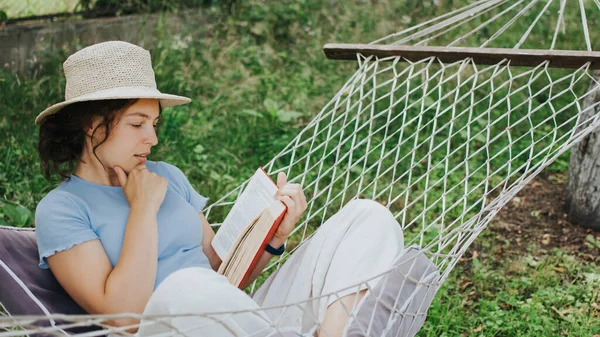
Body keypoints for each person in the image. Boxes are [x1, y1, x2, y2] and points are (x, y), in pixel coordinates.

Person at [34, 41, 405, 337]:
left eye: (155, 122)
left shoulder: (168, 176)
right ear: (93, 125)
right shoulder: (62, 209)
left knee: (369, 217)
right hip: (163, 328)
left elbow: (222, 273)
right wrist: (142, 210)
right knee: (186, 286)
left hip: (236, 321)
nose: (153, 138)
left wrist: (273, 236)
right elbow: (123, 319)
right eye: (137, 123)